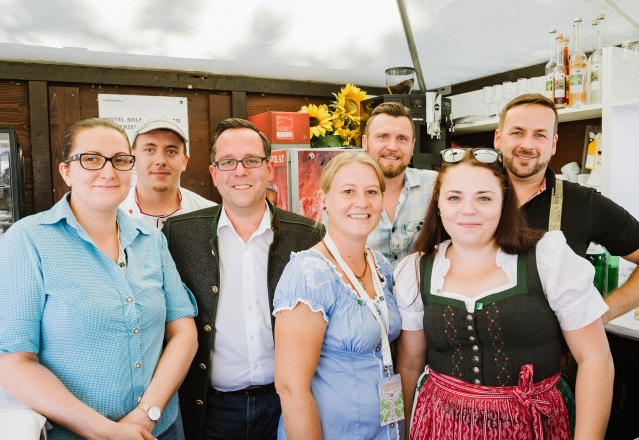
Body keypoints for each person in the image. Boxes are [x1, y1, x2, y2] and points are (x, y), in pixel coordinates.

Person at [0, 118, 199, 440]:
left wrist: (147, 414)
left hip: (161, 428)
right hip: (75, 434)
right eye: (91, 159)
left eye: (120, 160)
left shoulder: (151, 240)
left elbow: (184, 332)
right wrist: (107, 432)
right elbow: (14, 363)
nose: (108, 171)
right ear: (66, 171)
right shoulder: (27, 241)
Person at [394, 147, 614, 439]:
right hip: (441, 425)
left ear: (504, 202)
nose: (468, 210)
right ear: (438, 203)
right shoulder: (415, 269)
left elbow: (595, 359)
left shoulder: (548, 258)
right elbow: (409, 365)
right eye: (454, 197)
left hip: (536, 426)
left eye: (484, 197)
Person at [163, 118, 324, 440]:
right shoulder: (180, 234)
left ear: (268, 169)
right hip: (210, 409)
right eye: (227, 162)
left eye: (251, 160)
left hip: (290, 403)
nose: (240, 171)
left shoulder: (308, 235)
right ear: (213, 173)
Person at [494, 93, 639, 323]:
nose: (527, 144)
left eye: (540, 135)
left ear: (553, 144)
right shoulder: (465, 197)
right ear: (498, 138)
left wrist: (602, 313)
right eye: (517, 132)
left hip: (552, 355)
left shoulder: (582, 202)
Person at [273, 151, 403, 440]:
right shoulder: (309, 274)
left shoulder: (380, 265)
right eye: (348, 191)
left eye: (372, 191)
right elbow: (290, 388)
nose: (362, 202)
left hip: (385, 428)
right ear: (323, 200)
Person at [362, 102, 437, 268]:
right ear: (365, 143)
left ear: (412, 146)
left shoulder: (435, 186)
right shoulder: (344, 194)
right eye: (383, 137)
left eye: (402, 139)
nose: (392, 147)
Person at [120, 115, 215, 228]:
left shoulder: (209, 215)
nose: (160, 160)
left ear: (184, 161)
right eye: (149, 150)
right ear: (133, 157)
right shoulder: (112, 213)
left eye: (171, 151)